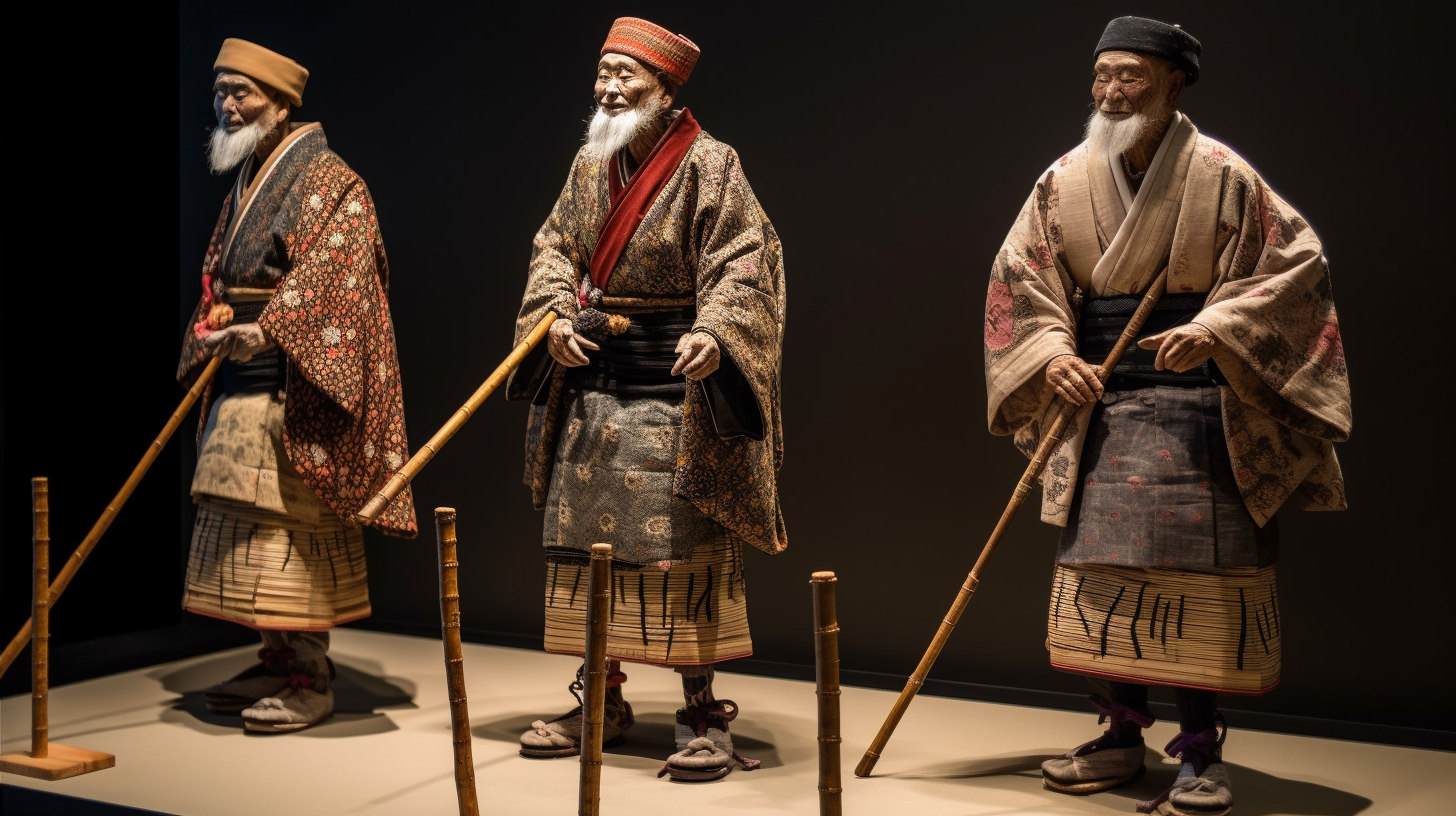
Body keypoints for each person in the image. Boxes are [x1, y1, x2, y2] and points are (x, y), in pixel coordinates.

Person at [982, 16, 1350, 816]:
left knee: (1200, 586)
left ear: (1174, 85)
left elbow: (1295, 264)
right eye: (1103, 76)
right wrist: (1052, 355)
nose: (1112, 92)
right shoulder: (1066, 178)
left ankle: (1199, 748)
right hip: (1104, 409)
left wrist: (1216, 328)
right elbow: (1023, 276)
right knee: (1104, 585)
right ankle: (1118, 733)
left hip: (1203, 413)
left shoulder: (1221, 174)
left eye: (1132, 79)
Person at [505, 16, 787, 781]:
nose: (609, 87)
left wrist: (719, 334)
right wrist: (556, 318)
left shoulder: (711, 164)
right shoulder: (588, 162)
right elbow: (554, 248)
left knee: (680, 552)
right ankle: (601, 698)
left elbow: (743, 262)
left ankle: (700, 713)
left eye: (628, 76)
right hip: (593, 394)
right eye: (604, 71)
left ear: (666, 90)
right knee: (585, 554)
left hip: (672, 398)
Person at [176, 38, 418, 733]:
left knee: (292, 532)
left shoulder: (329, 180)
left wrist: (273, 329)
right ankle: (274, 656)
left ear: (282, 103)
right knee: (247, 532)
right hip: (241, 382)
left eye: (242, 92)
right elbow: (221, 273)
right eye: (220, 90)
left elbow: (339, 278)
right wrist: (217, 317)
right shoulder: (250, 177)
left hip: (294, 386)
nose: (226, 104)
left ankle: (311, 673)